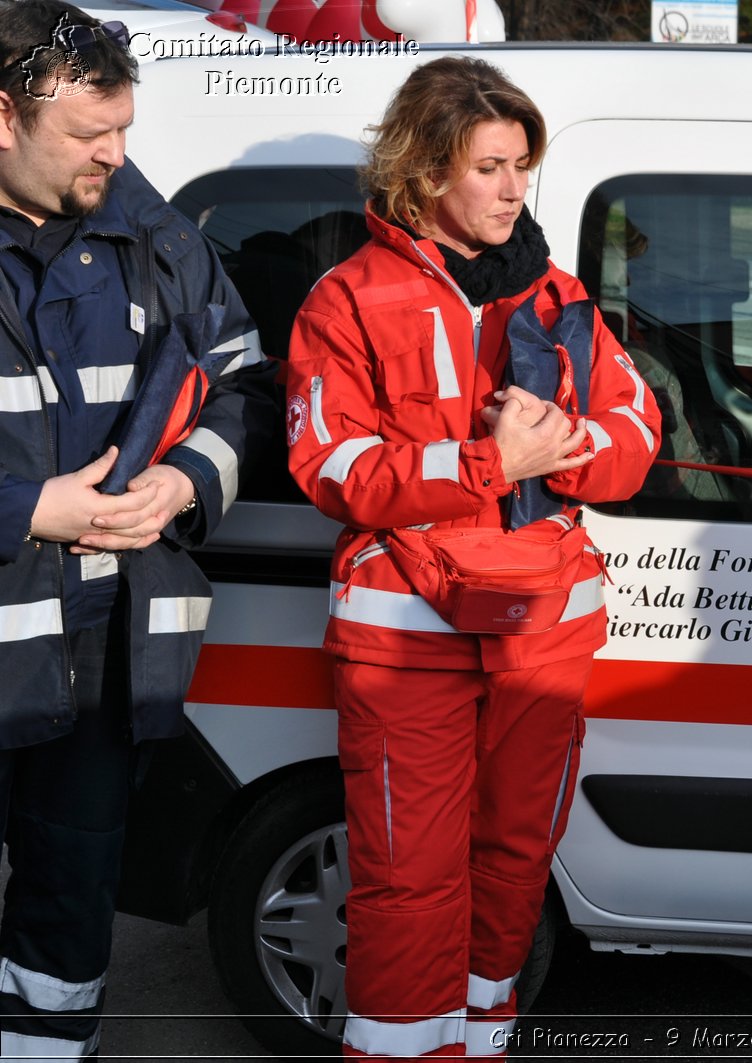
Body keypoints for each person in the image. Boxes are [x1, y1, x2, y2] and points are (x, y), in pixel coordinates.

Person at [283, 57, 660, 1059]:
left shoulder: (558, 296)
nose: (512, 189)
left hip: (542, 630)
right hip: (407, 635)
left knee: (511, 865)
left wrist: (567, 446)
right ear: (423, 172)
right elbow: (333, 467)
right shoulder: (347, 297)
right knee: (409, 879)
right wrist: (496, 460)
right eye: (490, 167)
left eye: (520, 167)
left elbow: (636, 436)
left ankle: (482, 1039)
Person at [0, 2, 273, 1057]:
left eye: (123, 130)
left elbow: (250, 383)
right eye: (87, 137)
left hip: (101, 652)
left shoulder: (151, 231)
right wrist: (31, 509)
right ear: (6, 120)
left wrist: (180, 484)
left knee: (68, 921)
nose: (115, 154)